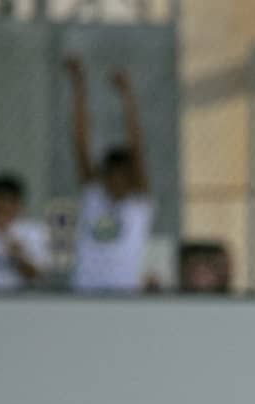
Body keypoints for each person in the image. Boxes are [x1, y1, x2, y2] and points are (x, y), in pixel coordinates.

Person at [65, 58, 154, 292]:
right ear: (103, 177)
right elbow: (80, 142)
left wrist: (127, 96)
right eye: (110, 177)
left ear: (131, 178)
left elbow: (137, 146)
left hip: (125, 291)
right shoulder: (94, 195)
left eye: (123, 177)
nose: (116, 183)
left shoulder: (138, 203)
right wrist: (78, 86)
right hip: (86, 289)